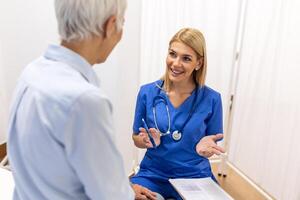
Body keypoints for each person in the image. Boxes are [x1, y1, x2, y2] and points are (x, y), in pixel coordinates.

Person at [7, 0, 156, 199]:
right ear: (110, 26)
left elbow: (57, 169)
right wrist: (122, 192)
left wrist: (123, 188)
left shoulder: (31, 73)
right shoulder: (85, 102)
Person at [131, 28, 225, 200]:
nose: (175, 63)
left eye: (186, 58)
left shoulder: (212, 99)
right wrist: (144, 141)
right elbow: (136, 137)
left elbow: (212, 143)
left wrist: (205, 150)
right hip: (153, 174)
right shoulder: (147, 93)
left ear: (199, 63)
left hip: (195, 177)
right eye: (172, 54)